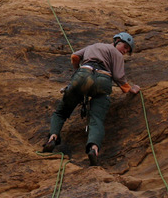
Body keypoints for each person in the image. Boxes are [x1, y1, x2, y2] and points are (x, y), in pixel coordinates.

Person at [43, 32, 140, 166]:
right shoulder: (116, 54)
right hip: (103, 81)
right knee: (96, 119)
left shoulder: (94, 46)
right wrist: (129, 89)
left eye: (127, 50)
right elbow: (118, 76)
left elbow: (75, 56)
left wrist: (77, 71)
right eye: (125, 46)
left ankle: (52, 137)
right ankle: (93, 149)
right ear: (117, 41)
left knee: (61, 112)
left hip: (82, 75)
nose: (124, 51)